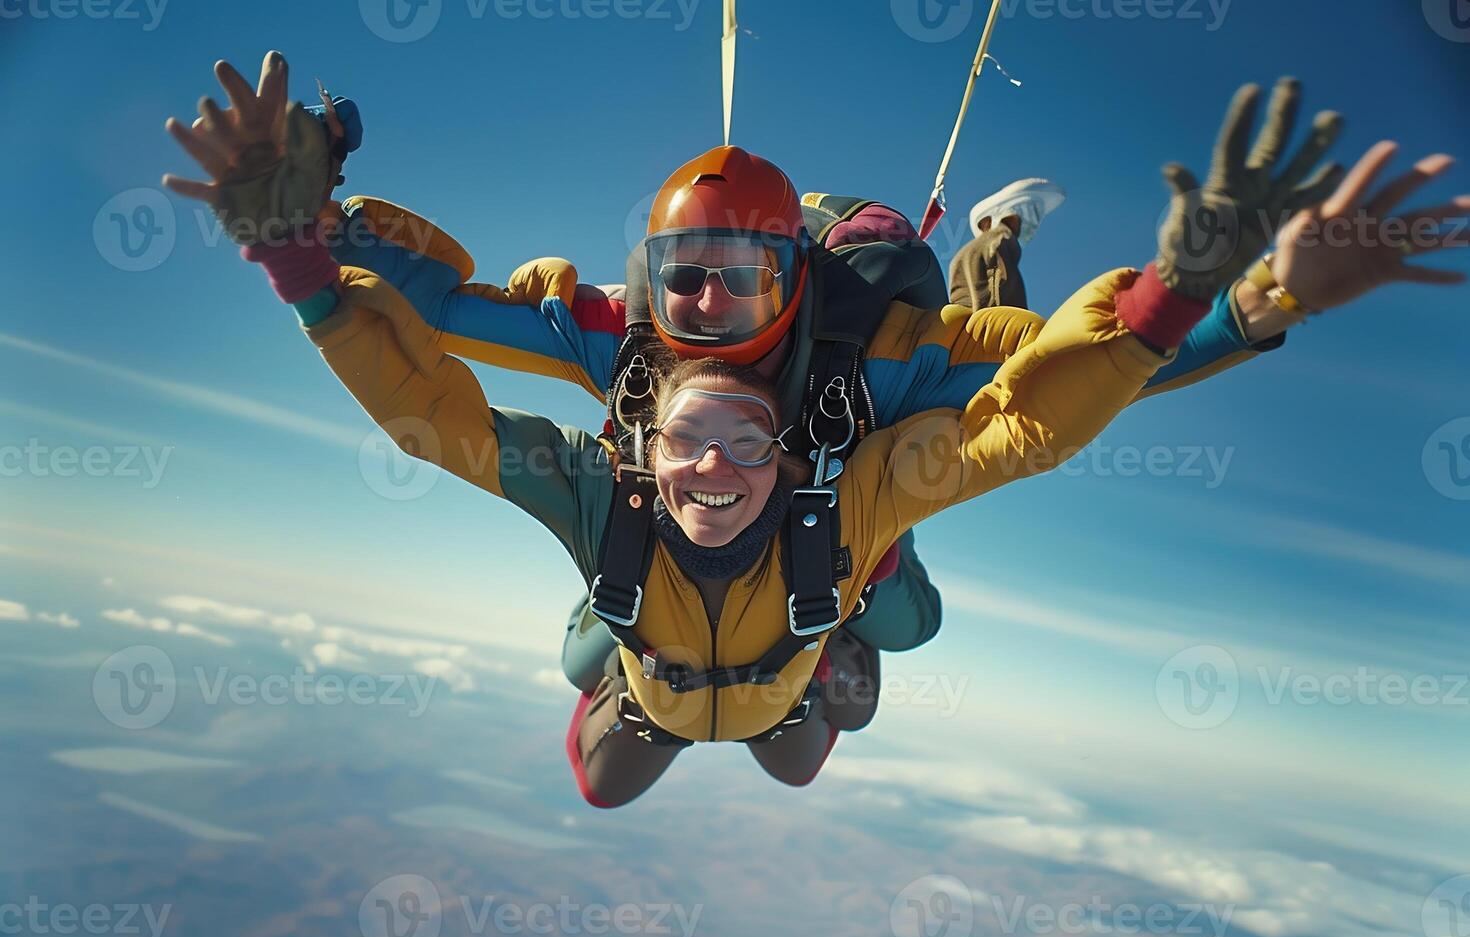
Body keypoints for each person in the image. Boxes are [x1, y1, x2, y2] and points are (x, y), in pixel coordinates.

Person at [163, 55, 1468, 806]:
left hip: (840, 553)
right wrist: (303, 234)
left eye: (742, 273)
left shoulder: (884, 375)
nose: (708, 308)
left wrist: (1231, 296)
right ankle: (673, 667)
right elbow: (435, 354)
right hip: (691, 631)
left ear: (798, 275)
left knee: (888, 631)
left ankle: (990, 249)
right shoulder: (625, 350)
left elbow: (1058, 394)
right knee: (607, 755)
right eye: (686, 276)